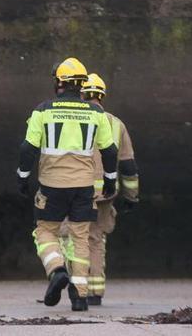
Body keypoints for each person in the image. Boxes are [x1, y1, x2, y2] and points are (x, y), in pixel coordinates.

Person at [17, 58, 118, 312]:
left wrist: (22, 176)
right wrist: (109, 179)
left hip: (52, 185)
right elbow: (109, 150)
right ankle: (80, 296)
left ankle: (57, 270)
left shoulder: (43, 110)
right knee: (80, 236)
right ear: (82, 85)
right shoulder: (96, 113)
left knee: (45, 231)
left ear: (59, 83)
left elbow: (28, 148)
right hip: (84, 187)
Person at [79, 74, 140, 306]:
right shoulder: (116, 124)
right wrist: (130, 196)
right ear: (102, 96)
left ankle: (79, 289)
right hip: (105, 194)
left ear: (82, 94)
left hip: (75, 191)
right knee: (96, 240)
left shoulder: (74, 120)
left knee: (73, 239)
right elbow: (128, 165)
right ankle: (96, 292)